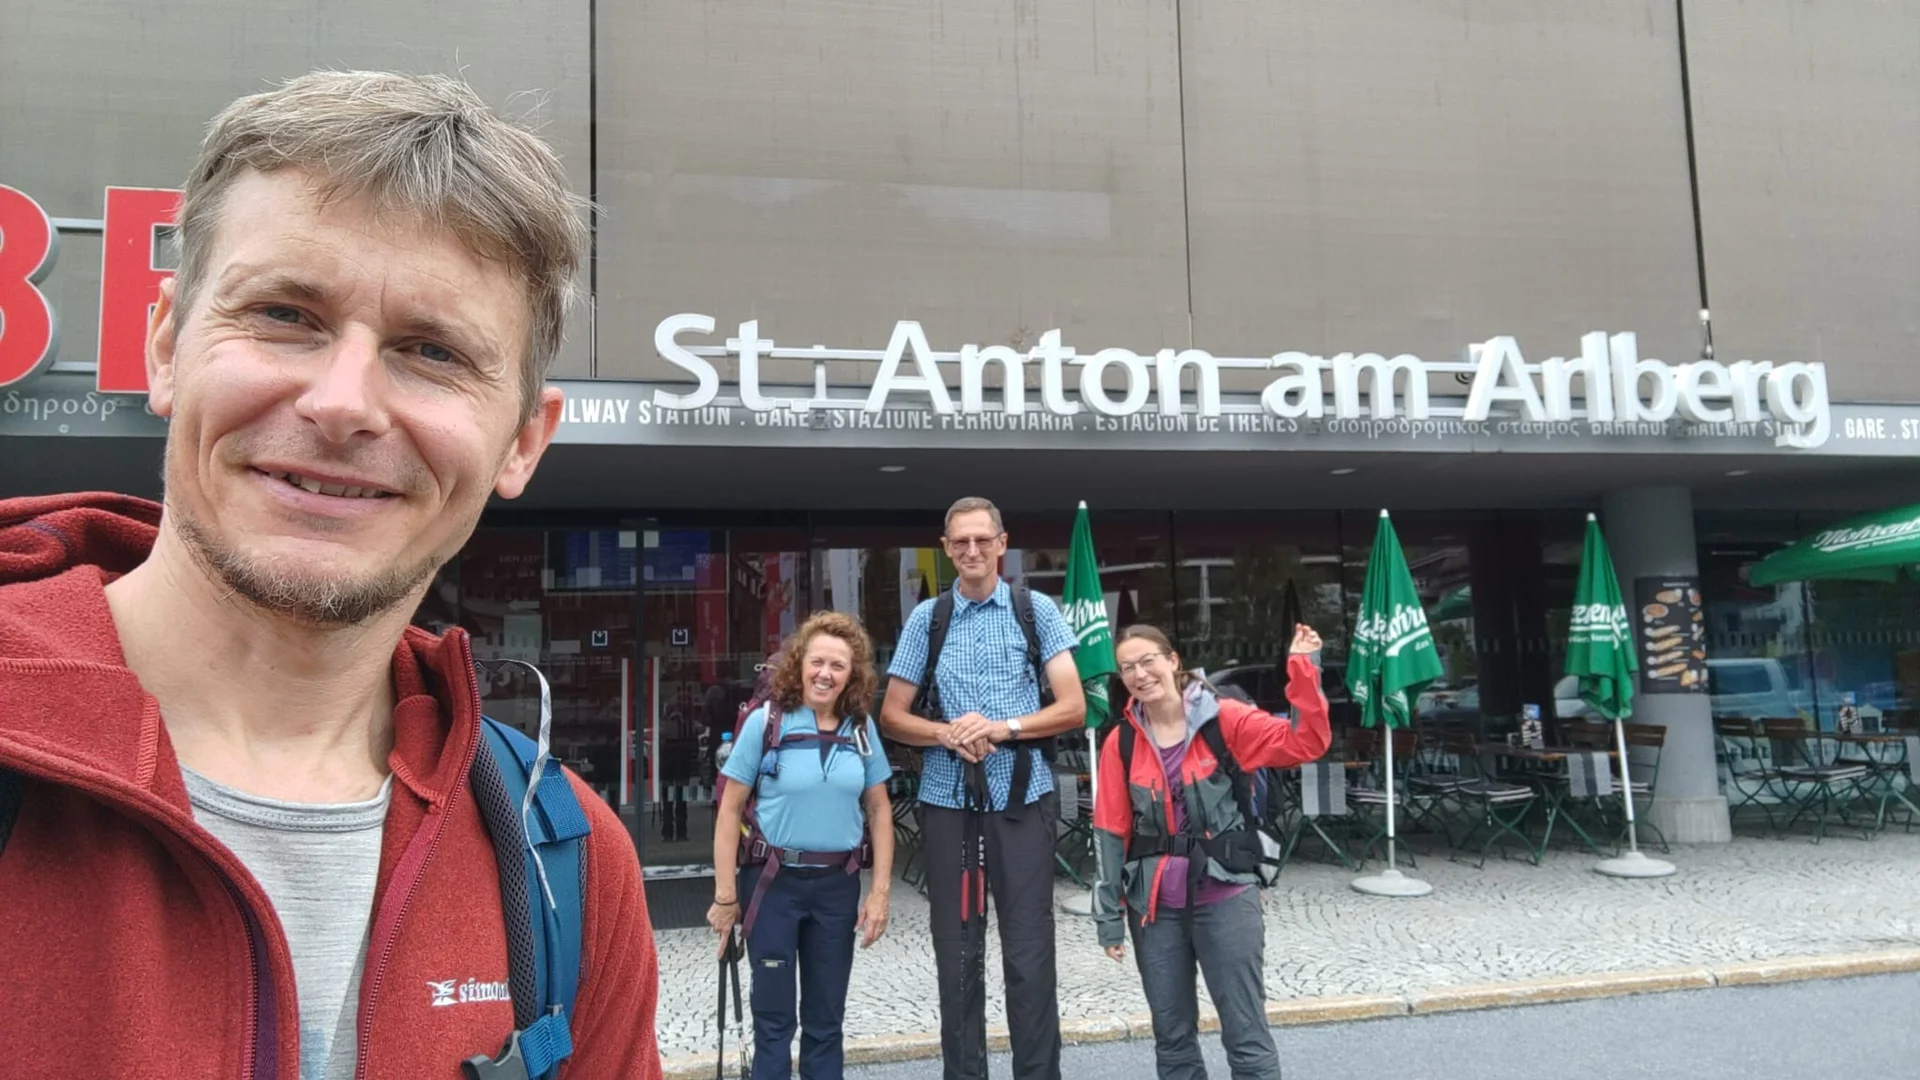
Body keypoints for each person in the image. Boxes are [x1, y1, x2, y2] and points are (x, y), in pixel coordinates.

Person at [0, 72, 660, 1079]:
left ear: (524, 441)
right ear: (167, 342)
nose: (343, 402)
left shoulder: (569, 865)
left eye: (431, 350)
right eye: (285, 315)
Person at [880, 496, 1086, 1080]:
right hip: (949, 801)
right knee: (958, 955)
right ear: (946, 549)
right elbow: (893, 717)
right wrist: (948, 732)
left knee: (1028, 954)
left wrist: (1004, 727)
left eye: (981, 540)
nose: (971, 550)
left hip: (1022, 799)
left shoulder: (1035, 609)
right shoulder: (929, 619)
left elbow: (1073, 708)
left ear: (1001, 543)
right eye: (959, 542)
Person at [1093, 623, 1332, 1080]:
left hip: (1225, 898)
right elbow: (1109, 830)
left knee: (1245, 1034)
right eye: (1127, 668)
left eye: (1148, 661)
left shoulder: (1226, 719)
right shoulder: (1120, 742)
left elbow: (1307, 742)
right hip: (1155, 909)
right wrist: (1108, 919)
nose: (1140, 674)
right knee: (1172, 1038)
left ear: (1173, 661)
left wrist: (1304, 668)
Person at [708, 611, 896, 1080]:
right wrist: (726, 898)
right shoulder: (767, 723)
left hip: (837, 888)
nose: (825, 674)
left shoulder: (860, 728)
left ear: (853, 674)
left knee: (826, 1022)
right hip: (772, 887)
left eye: (838, 665)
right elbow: (729, 810)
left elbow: (879, 811)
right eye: (817, 662)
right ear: (799, 663)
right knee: (773, 1022)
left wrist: (880, 893)